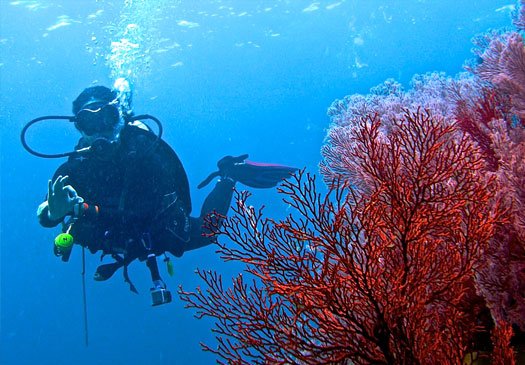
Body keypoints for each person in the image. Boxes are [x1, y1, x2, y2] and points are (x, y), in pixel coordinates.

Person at [32, 82, 297, 305]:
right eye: (89, 122)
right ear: (79, 128)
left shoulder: (144, 153)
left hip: (157, 229)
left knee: (209, 231)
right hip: (115, 239)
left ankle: (228, 175)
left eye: (107, 118)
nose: (100, 129)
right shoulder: (75, 167)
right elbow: (46, 212)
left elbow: (140, 213)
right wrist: (51, 212)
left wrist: (82, 210)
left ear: (119, 118)